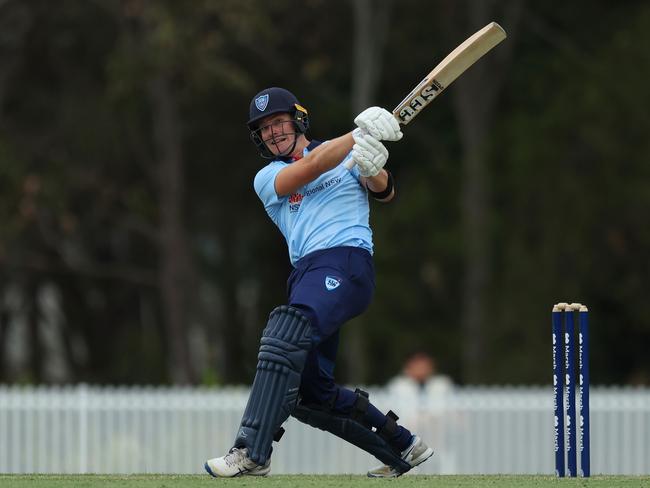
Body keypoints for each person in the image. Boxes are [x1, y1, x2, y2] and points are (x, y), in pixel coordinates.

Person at [204, 87, 433, 478]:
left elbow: (384, 190)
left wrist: (370, 166)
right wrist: (358, 137)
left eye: (278, 122)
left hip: (346, 262)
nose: (273, 133)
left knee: (283, 333)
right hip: (307, 274)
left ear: (297, 119)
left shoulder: (344, 152)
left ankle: (250, 452)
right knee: (311, 394)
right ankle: (403, 446)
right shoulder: (268, 177)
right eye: (264, 129)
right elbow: (310, 169)